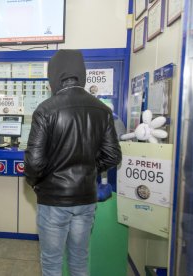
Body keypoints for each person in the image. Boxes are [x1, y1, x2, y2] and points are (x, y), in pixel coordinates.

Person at [24, 49, 122, 276]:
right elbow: (113, 155)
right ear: (82, 74)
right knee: (79, 259)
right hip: (86, 198)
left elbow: (34, 163)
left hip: (53, 199)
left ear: (54, 76)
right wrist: (88, 168)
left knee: (52, 262)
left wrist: (37, 183)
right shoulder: (103, 110)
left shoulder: (45, 110)